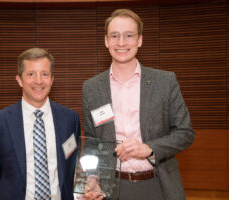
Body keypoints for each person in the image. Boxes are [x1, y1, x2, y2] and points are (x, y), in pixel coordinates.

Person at [82, 9, 195, 200]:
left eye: (129, 36)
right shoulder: (91, 88)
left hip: (158, 185)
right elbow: (93, 143)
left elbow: (185, 133)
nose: (121, 43)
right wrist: (91, 177)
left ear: (140, 40)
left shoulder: (165, 81)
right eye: (115, 36)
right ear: (106, 41)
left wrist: (149, 148)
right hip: (111, 188)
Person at [0, 48, 80, 200]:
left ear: (52, 79)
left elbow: (71, 167)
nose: (39, 81)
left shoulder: (70, 119)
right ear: (19, 80)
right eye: (31, 74)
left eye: (44, 74)